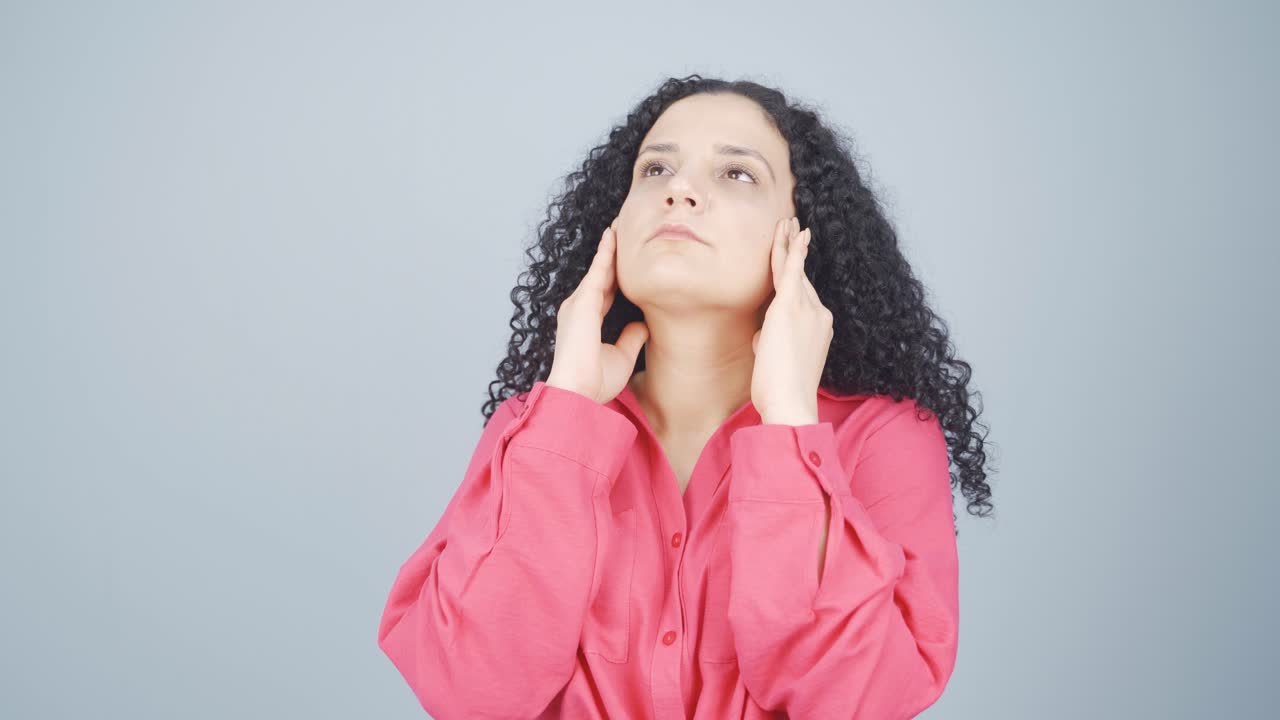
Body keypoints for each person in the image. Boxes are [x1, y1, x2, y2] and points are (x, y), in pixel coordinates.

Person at [377, 74, 995, 719]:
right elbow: (471, 691)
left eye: (737, 175)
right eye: (655, 169)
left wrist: (788, 425)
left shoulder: (883, 436)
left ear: (803, 235)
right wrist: (565, 416)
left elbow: (858, 701)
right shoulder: (532, 428)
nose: (679, 190)